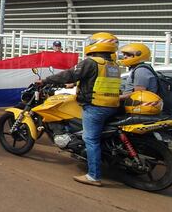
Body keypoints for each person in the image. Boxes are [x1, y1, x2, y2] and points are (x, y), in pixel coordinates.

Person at [40, 32, 121, 187]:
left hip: (95, 107)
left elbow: (69, 74)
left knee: (90, 139)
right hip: (111, 105)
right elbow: (95, 82)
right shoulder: (113, 65)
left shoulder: (91, 62)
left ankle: (93, 176)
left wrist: (46, 80)